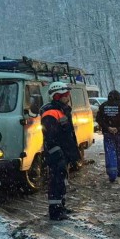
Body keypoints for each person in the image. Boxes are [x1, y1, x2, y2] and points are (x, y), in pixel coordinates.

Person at [41, 81, 81, 220]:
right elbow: (51, 136)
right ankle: (55, 211)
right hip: (56, 153)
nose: (68, 97)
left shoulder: (63, 110)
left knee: (63, 180)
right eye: (65, 94)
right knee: (56, 181)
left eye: (68, 94)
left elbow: (68, 134)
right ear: (56, 96)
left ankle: (61, 206)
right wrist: (57, 152)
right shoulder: (51, 112)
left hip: (63, 152)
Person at [98, 90, 120, 182]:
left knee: (110, 152)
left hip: (108, 133)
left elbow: (99, 119)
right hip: (119, 133)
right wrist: (118, 128)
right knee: (119, 150)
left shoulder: (103, 106)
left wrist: (108, 127)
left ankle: (112, 174)